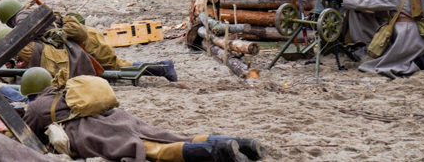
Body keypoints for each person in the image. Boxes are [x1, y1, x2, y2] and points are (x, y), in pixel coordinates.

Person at [16, 67, 266, 162]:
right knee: (171, 136)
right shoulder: (65, 91)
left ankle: (217, 151)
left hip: (93, 132)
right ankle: (241, 144)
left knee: (152, 150)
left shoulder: (38, 107)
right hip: (118, 117)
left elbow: (24, 134)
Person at [0, 0, 177, 81]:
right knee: (116, 66)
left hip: (87, 40)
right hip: (81, 39)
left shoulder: (23, 18)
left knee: (117, 66)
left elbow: (27, 39)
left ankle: (162, 67)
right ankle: (161, 67)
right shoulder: (32, 13)